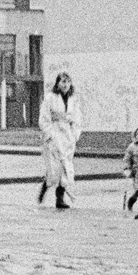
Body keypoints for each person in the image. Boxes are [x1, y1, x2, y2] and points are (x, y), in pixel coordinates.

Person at [37, 71, 82, 209]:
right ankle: (46, 185)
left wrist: (74, 135)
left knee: (66, 167)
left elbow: (77, 118)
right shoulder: (50, 98)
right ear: (57, 83)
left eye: (68, 82)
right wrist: (50, 134)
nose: (65, 85)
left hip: (67, 136)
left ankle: (60, 198)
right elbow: (44, 118)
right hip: (55, 134)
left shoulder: (73, 99)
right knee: (54, 168)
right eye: (63, 81)